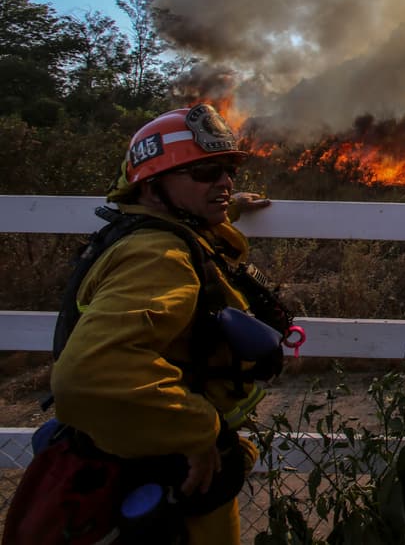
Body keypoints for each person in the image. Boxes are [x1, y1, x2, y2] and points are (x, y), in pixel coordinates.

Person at [31, 104, 280, 544]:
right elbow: (88, 374)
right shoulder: (157, 258)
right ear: (152, 184)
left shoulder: (151, 225)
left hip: (143, 455)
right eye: (205, 171)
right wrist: (199, 430)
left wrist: (229, 206)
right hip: (172, 472)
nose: (224, 181)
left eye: (227, 171)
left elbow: (184, 217)